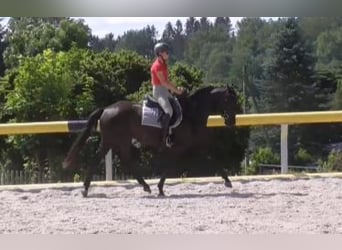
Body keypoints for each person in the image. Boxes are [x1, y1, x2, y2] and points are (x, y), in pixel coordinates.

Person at [150, 42, 184, 148]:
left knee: (177, 105)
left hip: (164, 90)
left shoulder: (164, 64)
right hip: (159, 91)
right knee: (168, 110)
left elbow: (167, 81)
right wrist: (176, 91)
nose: (168, 54)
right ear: (160, 53)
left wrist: (176, 88)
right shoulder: (157, 66)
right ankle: (164, 137)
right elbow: (163, 82)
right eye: (166, 52)